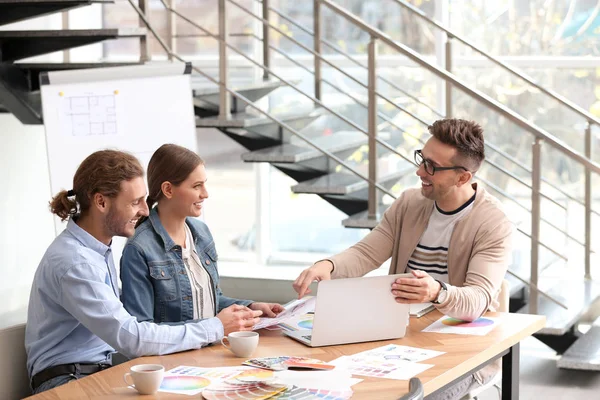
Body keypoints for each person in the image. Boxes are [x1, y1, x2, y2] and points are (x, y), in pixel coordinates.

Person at [293, 118, 513, 400]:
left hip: (462, 351)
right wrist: (328, 266)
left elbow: (478, 300)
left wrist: (437, 292)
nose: (420, 170)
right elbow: (366, 253)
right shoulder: (409, 202)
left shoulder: (494, 223)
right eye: (422, 159)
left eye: (432, 166)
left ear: (462, 177)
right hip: (400, 335)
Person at [25, 150, 262, 394]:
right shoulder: (76, 262)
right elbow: (131, 338)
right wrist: (215, 328)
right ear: (101, 202)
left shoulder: (95, 250)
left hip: (94, 372)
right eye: (134, 202)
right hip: (65, 382)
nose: (146, 211)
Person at [120, 144, 283, 326]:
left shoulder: (201, 233)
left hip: (209, 349)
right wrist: (212, 328)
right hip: (174, 355)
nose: (205, 194)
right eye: (197, 186)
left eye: (204, 184)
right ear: (168, 190)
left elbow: (209, 302)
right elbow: (142, 330)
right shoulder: (139, 249)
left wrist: (251, 307)